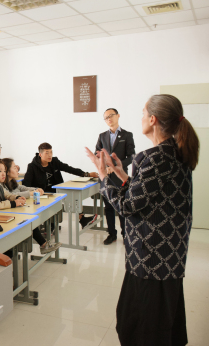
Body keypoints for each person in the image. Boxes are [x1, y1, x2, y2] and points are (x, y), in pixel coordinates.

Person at [85, 94, 198, 346]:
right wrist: (120, 173)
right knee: (164, 326)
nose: (141, 117)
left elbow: (127, 206)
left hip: (150, 260)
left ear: (153, 119)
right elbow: (149, 194)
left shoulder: (152, 157)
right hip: (169, 257)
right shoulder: (176, 153)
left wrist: (104, 178)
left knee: (139, 329)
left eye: (143, 112)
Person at [0, 160, 62, 255]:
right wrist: (13, 203)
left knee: (26, 220)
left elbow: (8, 195)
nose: (3, 174)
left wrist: (17, 197)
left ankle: (43, 245)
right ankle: (11, 252)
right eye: (0, 171)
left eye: (4, 171)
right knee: (18, 228)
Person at [23, 142, 98, 228]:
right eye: (47, 153)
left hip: (56, 191)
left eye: (51, 152)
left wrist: (86, 174)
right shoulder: (32, 166)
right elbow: (26, 184)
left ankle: (82, 219)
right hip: (43, 194)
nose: (50, 155)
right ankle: (50, 226)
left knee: (74, 194)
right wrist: (35, 192)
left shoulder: (54, 161)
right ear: (40, 154)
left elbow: (69, 168)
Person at [95, 108, 136, 245]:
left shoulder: (127, 135)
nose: (109, 119)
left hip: (120, 176)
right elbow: (97, 153)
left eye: (111, 116)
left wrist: (116, 167)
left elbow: (131, 157)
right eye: (106, 117)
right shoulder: (102, 136)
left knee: (122, 206)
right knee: (108, 207)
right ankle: (111, 234)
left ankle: (126, 234)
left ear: (118, 116)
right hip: (106, 177)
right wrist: (103, 165)